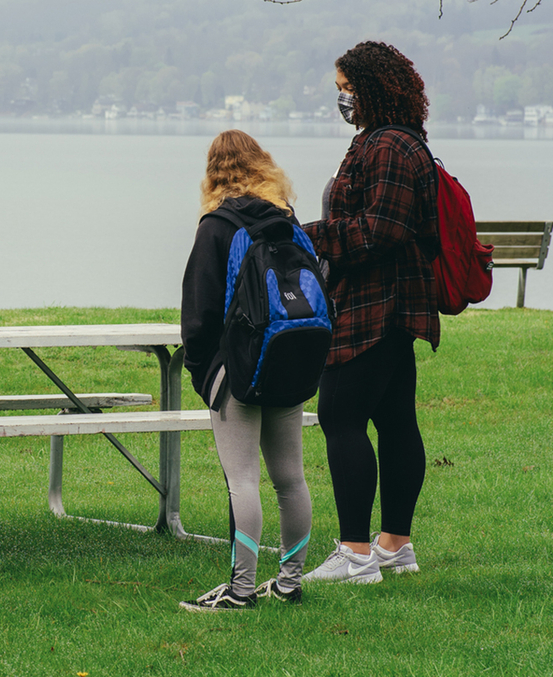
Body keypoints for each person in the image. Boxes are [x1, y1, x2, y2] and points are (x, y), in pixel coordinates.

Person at [301, 41, 439, 584]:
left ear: (373, 87)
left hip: (376, 304)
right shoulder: (395, 143)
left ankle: (356, 553)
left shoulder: (388, 148)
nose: (343, 100)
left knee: (340, 415)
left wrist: (308, 234)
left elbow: (381, 232)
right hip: (391, 303)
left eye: (347, 89)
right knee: (396, 420)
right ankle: (394, 545)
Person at [179, 130, 312, 611]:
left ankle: (240, 590)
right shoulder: (286, 220)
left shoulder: (217, 226)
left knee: (244, 480)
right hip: (289, 360)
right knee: (291, 479)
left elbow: (198, 313)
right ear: (262, 165)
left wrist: (204, 374)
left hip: (236, 372)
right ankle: (290, 582)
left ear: (214, 171)